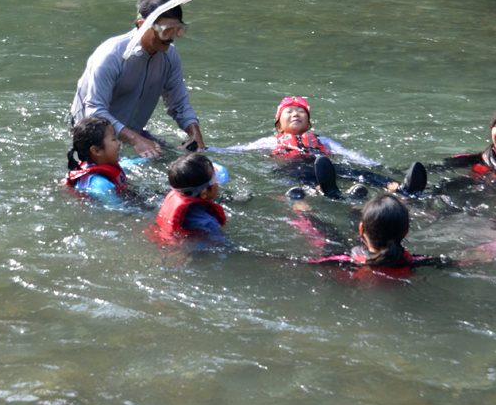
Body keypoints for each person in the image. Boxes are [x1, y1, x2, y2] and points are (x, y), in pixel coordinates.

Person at [70, 0, 205, 160]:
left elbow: (178, 104)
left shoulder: (170, 56)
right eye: (166, 30)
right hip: (94, 142)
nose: (172, 37)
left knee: (187, 163)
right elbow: (94, 112)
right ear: (142, 25)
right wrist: (136, 140)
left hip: (131, 134)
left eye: (178, 30)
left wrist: (194, 133)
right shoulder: (111, 55)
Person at [210, 96, 427, 199]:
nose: (295, 114)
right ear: (279, 126)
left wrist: (379, 166)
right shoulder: (272, 141)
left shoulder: (323, 141)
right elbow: (238, 150)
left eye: (301, 112)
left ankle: (398, 187)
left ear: (309, 124)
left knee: (360, 173)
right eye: (289, 112)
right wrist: (206, 149)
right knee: (303, 178)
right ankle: (324, 190)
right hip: (293, 168)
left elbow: (350, 155)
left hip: (326, 166)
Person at [309, 194, 436, 283]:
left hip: (353, 261)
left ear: (361, 229)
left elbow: (303, 263)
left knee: (329, 235)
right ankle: (357, 210)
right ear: (406, 232)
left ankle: (301, 210)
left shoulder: (345, 261)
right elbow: (452, 262)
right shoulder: (415, 262)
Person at [64, 116, 144, 204]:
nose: (118, 143)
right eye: (113, 139)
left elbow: (126, 164)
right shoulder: (101, 185)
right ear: (96, 151)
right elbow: (118, 211)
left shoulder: (96, 162)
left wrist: (148, 158)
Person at [155, 153, 228, 236]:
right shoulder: (208, 222)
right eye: (216, 179)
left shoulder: (178, 193)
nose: (218, 184)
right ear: (203, 193)